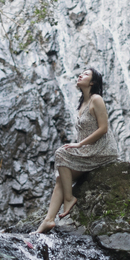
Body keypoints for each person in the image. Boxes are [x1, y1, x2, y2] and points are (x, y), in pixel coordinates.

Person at [37, 67, 118, 233]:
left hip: (102, 149)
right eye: (81, 73)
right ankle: (48, 220)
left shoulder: (96, 99)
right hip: (88, 150)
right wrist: (79, 146)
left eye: (86, 74)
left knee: (61, 153)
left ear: (93, 82)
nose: (81, 75)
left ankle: (69, 198)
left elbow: (103, 128)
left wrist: (79, 145)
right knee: (61, 178)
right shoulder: (82, 104)